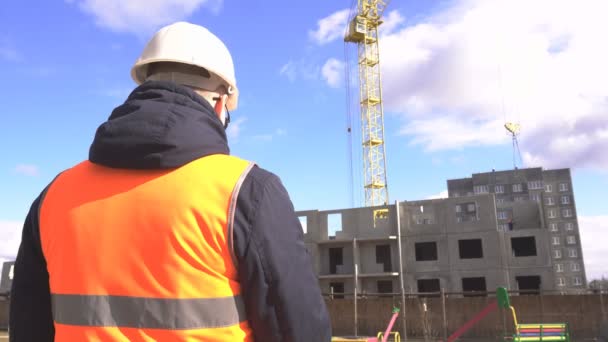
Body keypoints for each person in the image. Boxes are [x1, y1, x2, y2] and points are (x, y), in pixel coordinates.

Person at [9, 21, 331, 342]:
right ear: (221, 104)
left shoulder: (54, 197)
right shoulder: (248, 193)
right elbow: (300, 330)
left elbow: (28, 327)